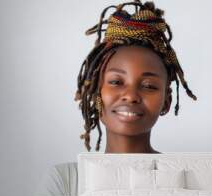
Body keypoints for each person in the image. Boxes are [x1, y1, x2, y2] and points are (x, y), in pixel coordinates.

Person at [75, 0, 197, 153]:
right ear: (95, 93)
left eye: (148, 86)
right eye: (116, 81)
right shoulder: (66, 176)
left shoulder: (188, 173)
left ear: (166, 102)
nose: (131, 96)